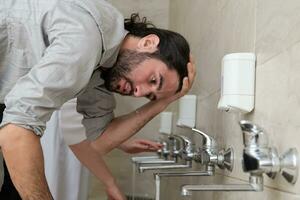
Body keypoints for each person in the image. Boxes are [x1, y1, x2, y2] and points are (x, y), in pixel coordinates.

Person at [0, 0, 196, 199]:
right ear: (147, 43)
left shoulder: (102, 68)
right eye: (153, 79)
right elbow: (16, 129)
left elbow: (99, 142)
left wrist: (162, 103)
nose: (138, 92)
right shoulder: (86, 40)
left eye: (148, 95)